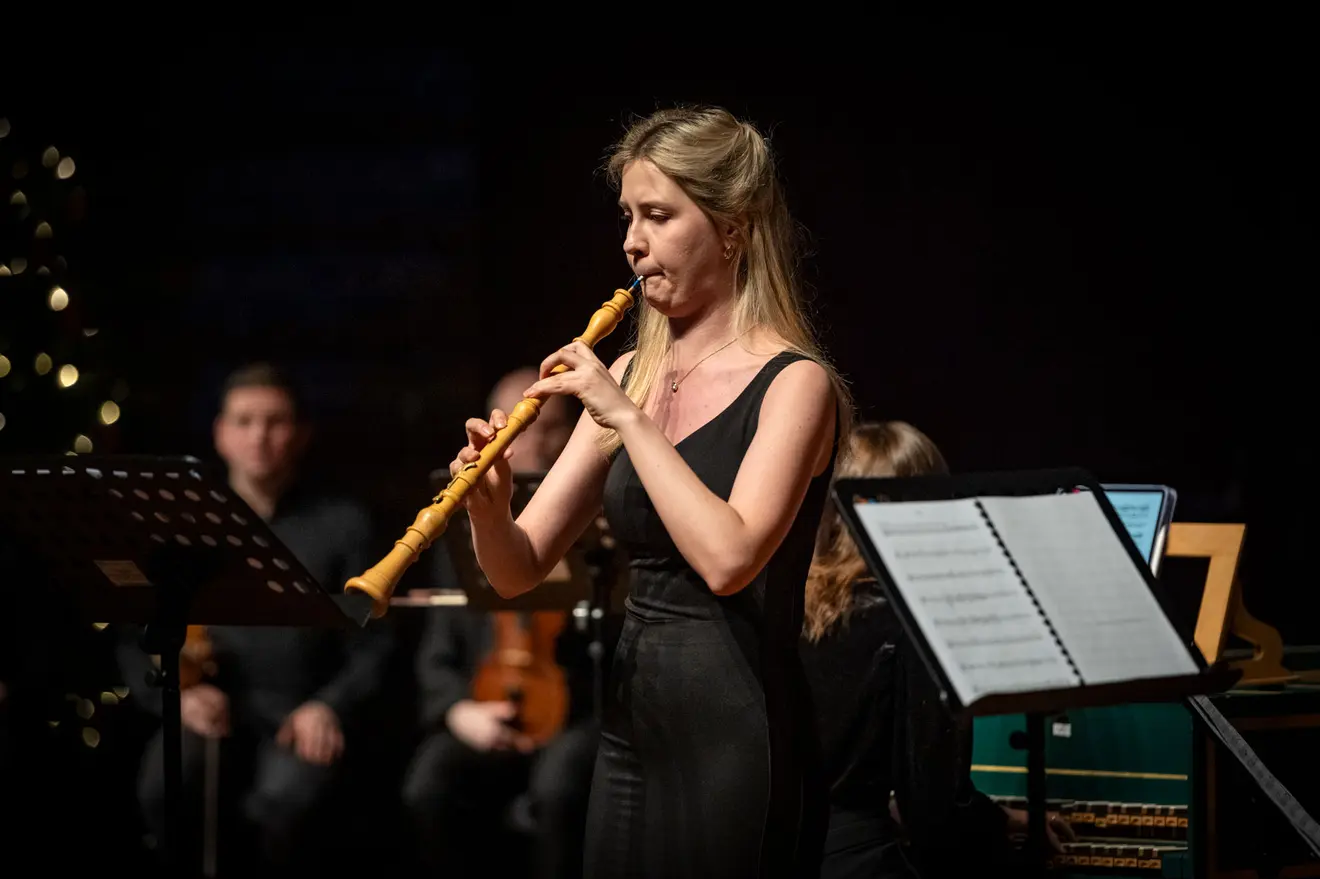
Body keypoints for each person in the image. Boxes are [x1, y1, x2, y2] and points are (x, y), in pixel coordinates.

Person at [446, 105, 852, 878]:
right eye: (629, 216)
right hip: (632, 729)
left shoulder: (796, 383)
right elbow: (517, 570)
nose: (633, 241)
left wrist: (628, 417)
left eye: (659, 216)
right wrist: (490, 507)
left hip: (738, 734)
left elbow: (729, 558)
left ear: (731, 229)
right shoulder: (630, 372)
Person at [117, 362, 394, 873]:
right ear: (220, 434)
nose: (259, 437)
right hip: (214, 708)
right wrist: (178, 699)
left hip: (299, 711)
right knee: (164, 788)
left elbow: (374, 642)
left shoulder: (344, 524)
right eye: (244, 421)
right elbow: (138, 634)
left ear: (301, 433)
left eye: (275, 421)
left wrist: (329, 705)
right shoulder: (184, 525)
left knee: (285, 806)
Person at [799, 420, 1076, 878]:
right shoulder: (911, 619)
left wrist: (997, 818)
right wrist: (1004, 840)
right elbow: (934, 812)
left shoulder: (789, 598)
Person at [403, 366, 613, 879]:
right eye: (522, 426)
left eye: (551, 426)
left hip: (577, 716)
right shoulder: (465, 523)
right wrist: (458, 711)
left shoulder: (600, 522)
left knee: (560, 788)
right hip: (485, 706)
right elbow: (437, 649)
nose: (535, 441)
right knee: (428, 785)